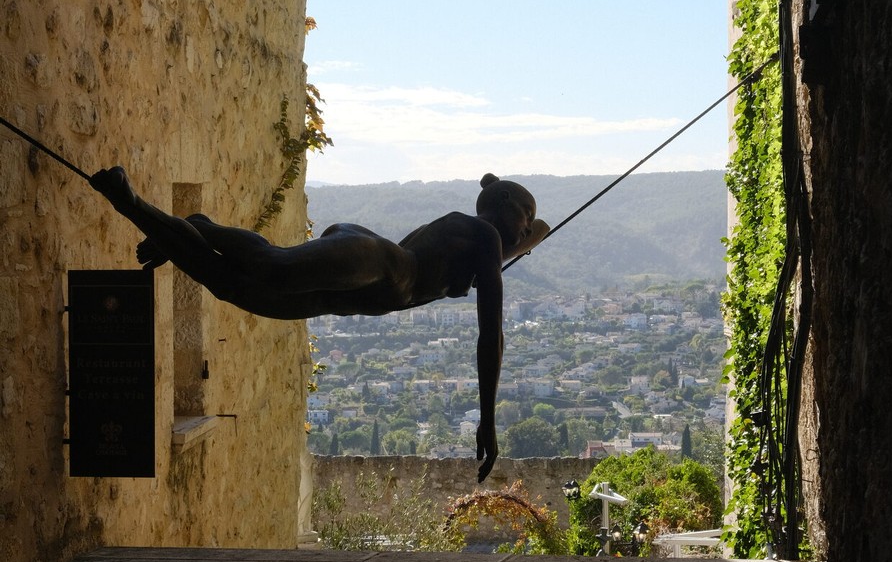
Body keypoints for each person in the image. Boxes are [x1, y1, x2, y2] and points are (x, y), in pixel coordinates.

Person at [90, 167, 549, 482]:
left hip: (351, 298)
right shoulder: (483, 234)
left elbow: (529, 237)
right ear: (502, 202)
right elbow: (491, 332)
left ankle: (176, 231)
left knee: (235, 289)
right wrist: (487, 419)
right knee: (273, 266)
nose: (523, 230)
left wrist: (531, 232)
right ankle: (168, 216)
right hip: (377, 264)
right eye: (522, 219)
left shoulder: (479, 246)